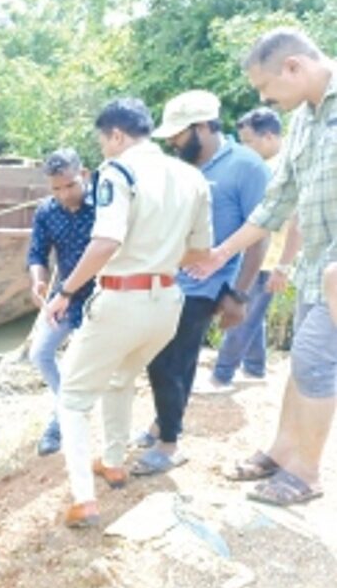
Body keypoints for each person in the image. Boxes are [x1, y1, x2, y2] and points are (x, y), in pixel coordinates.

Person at [43, 97, 212, 527]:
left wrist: (65, 291)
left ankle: (84, 500)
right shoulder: (192, 176)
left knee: (73, 400)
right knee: (121, 378)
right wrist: (159, 256)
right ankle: (113, 461)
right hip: (168, 302)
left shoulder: (118, 172)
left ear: (116, 135)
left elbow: (106, 241)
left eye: (103, 142)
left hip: (121, 299)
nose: (103, 150)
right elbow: (199, 251)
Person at [188, 27, 337, 506]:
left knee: (315, 359)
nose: (263, 100)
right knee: (300, 365)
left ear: (293, 66)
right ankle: (283, 450)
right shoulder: (305, 120)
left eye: (265, 87)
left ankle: (306, 473)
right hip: (316, 266)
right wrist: (220, 252)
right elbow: (278, 200)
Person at [132, 90, 271, 476]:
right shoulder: (182, 167)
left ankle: (169, 445)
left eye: (179, 134)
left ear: (204, 127)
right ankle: (163, 423)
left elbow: (259, 235)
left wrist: (238, 293)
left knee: (171, 360)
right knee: (165, 357)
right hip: (168, 276)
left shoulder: (246, 167)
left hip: (209, 282)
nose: (173, 142)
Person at [198, 108, 289, 392]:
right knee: (253, 309)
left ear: (269, 136)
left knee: (243, 313)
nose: (244, 148)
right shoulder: (265, 164)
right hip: (258, 252)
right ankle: (254, 367)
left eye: (249, 141)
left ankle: (222, 375)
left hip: (269, 255)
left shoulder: (279, 169)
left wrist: (284, 264)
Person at [26, 148, 95, 456]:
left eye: (70, 185)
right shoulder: (46, 211)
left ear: (84, 175)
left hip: (104, 296)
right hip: (66, 297)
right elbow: (37, 253)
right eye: (57, 188)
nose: (65, 194)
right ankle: (65, 408)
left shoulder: (105, 207)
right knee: (40, 353)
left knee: (78, 364)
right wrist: (38, 280)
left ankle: (60, 423)